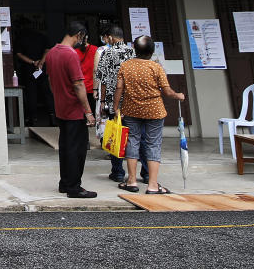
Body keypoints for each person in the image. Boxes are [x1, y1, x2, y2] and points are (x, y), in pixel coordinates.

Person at [114, 35, 186, 195]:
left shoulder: (125, 66)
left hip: (131, 109)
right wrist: (178, 95)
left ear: (134, 48)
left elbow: (119, 88)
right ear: (152, 51)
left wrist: (115, 107)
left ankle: (131, 181)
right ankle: (153, 185)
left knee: (132, 142)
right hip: (154, 111)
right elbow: (166, 91)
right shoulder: (156, 67)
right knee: (153, 144)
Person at [45, 21, 97, 198]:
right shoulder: (71, 54)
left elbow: (51, 81)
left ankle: (65, 183)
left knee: (66, 147)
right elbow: (78, 84)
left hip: (61, 108)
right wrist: (88, 111)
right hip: (75, 110)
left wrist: (59, 98)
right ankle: (74, 187)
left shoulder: (51, 53)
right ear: (80, 35)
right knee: (78, 149)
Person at [92, 26, 148, 183]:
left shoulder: (107, 53)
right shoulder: (133, 52)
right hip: (134, 101)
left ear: (110, 37)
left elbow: (102, 78)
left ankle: (117, 172)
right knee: (140, 136)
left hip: (113, 102)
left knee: (116, 135)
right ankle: (146, 172)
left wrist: (102, 101)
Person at [12, 18, 52, 126]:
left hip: (29, 69)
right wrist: (41, 63)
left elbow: (19, 54)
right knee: (46, 93)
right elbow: (48, 50)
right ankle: (52, 118)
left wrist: (33, 62)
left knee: (31, 94)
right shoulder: (41, 36)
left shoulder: (21, 38)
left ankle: (32, 119)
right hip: (41, 69)